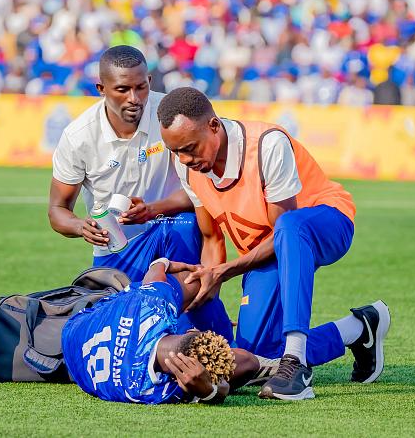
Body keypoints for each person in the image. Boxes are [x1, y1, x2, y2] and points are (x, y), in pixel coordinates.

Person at [156, 87, 391, 401]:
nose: (185, 159)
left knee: (290, 227)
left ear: (213, 126)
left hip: (326, 222)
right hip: (265, 254)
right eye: (176, 152)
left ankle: (296, 363)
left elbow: (284, 233)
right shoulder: (188, 168)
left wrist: (225, 271)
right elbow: (211, 237)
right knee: (255, 358)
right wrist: (207, 286)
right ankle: (358, 328)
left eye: (189, 148)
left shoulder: (267, 145)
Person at [49, 46, 233, 341]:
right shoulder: (78, 136)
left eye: (141, 87)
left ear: (149, 80)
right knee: (117, 336)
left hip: (170, 229)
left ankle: (196, 326)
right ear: (101, 89)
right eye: (122, 90)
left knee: (185, 225)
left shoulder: (173, 118)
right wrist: (81, 227)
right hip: (117, 250)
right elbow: (57, 210)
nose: (134, 98)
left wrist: (153, 210)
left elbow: (203, 192)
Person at [62, 258, 279, 404]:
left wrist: (164, 262)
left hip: (76, 327)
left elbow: (155, 271)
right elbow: (248, 363)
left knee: (193, 280)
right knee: (247, 362)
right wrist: (209, 392)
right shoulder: (146, 388)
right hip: (76, 343)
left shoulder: (151, 305)